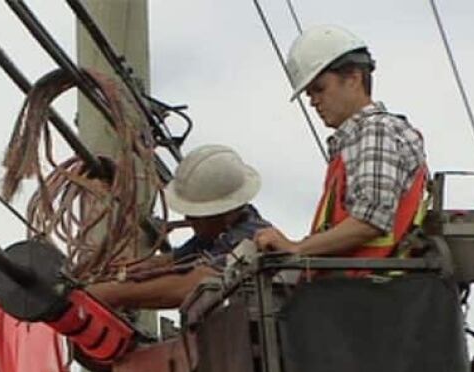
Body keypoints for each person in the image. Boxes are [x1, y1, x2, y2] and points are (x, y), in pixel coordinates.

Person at [254, 25, 428, 259]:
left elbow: (370, 221)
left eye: (320, 89)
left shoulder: (376, 130)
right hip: (355, 287)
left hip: (369, 289)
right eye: (309, 94)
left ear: (353, 79)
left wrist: (296, 248)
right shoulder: (354, 142)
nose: (314, 102)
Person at [88, 144, 270, 309]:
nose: (188, 219)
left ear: (224, 212)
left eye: (196, 215)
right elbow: (176, 260)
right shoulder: (219, 233)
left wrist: (110, 294)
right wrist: (127, 271)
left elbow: (195, 284)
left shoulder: (251, 237)